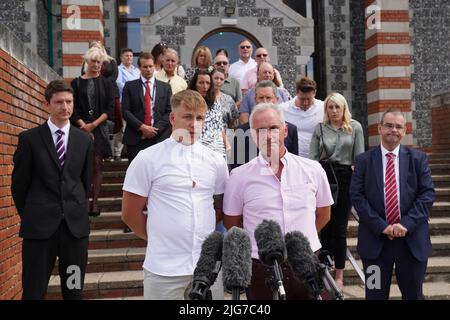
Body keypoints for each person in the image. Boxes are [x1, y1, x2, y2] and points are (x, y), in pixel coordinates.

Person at [121, 90, 229, 300]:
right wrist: (160, 238)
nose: (194, 124)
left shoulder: (216, 160)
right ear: (172, 118)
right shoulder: (147, 158)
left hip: (206, 269)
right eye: (188, 117)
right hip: (163, 269)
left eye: (200, 118)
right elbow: (130, 214)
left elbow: (219, 208)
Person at [223, 103, 333, 300]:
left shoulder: (313, 169)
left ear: (285, 130)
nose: (268, 135)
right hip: (260, 270)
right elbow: (232, 223)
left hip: (308, 264)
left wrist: (302, 240)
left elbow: (323, 214)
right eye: (260, 130)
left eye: (273, 128)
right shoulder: (238, 177)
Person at [11, 80, 93, 300]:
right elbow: (19, 186)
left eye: (68, 102)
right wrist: (32, 214)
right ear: (47, 104)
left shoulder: (84, 140)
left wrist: (77, 212)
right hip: (39, 231)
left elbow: (85, 183)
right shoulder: (29, 139)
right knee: (34, 291)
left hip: (74, 233)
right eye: (58, 102)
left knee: (73, 291)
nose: (64, 107)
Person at [350, 108, 435, 300]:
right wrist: (382, 227)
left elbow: (427, 195)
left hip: (411, 243)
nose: (393, 130)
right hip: (375, 245)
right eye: (388, 125)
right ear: (379, 128)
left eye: (398, 126)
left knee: (414, 295)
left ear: (404, 131)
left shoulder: (418, 159)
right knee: (374, 295)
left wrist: (406, 224)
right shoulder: (363, 161)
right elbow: (357, 197)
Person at [309, 92, 365, 289]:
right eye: (330, 107)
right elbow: (313, 159)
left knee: (340, 229)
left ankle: (339, 275)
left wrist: (359, 188)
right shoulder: (320, 128)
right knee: (324, 224)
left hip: (345, 178)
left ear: (344, 108)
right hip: (324, 176)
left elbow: (359, 160)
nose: (333, 111)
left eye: (337, 107)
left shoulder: (355, 127)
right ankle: (323, 269)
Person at [71, 46, 114, 217]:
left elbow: (109, 109)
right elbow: (72, 108)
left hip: (99, 129)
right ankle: (84, 201)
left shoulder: (107, 83)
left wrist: (93, 125)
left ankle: (94, 203)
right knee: (82, 166)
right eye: (93, 61)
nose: (96, 65)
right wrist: (83, 126)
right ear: (87, 61)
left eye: (99, 62)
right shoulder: (76, 82)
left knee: (97, 165)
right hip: (79, 128)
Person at [229, 80, 298, 171]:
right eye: (261, 98)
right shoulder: (241, 132)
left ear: (276, 100)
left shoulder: (291, 130)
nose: (265, 101)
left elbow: (292, 164)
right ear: (255, 100)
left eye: (268, 97)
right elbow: (236, 169)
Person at [122, 52, 172, 164]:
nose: (148, 69)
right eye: (145, 67)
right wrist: (143, 127)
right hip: (136, 138)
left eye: (150, 66)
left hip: (158, 138)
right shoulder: (129, 86)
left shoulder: (166, 87)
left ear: (154, 66)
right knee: (136, 174)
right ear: (139, 68)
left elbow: (169, 112)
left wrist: (154, 130)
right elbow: (125, 111)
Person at [188, 69, 229, 158]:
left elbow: (220, 128)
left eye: (208, 83)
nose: (205, 86)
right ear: (195, 84)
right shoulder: (187, 102)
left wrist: (228, 147)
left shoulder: (215, 102)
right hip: (196, 148)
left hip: (217, 148)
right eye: (201, 83)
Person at [281, 77, 324, 158]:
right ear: (297, 93)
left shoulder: (323, 108)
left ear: (314, 93)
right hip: (291, 157)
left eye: (309, 99)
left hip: (316, 158)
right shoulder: (283, 109)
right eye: (302, 99)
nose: (305, 103)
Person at [114, 48, 141, 161]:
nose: (129, 58)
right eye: (126, 56)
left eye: (130, 56)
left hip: (138, 103)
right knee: (122, 128)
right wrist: (133, 87)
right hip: (124, 103)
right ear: (121, 57)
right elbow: (120, 84)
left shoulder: (136, 70)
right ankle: (117, 152)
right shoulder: (118, 70)